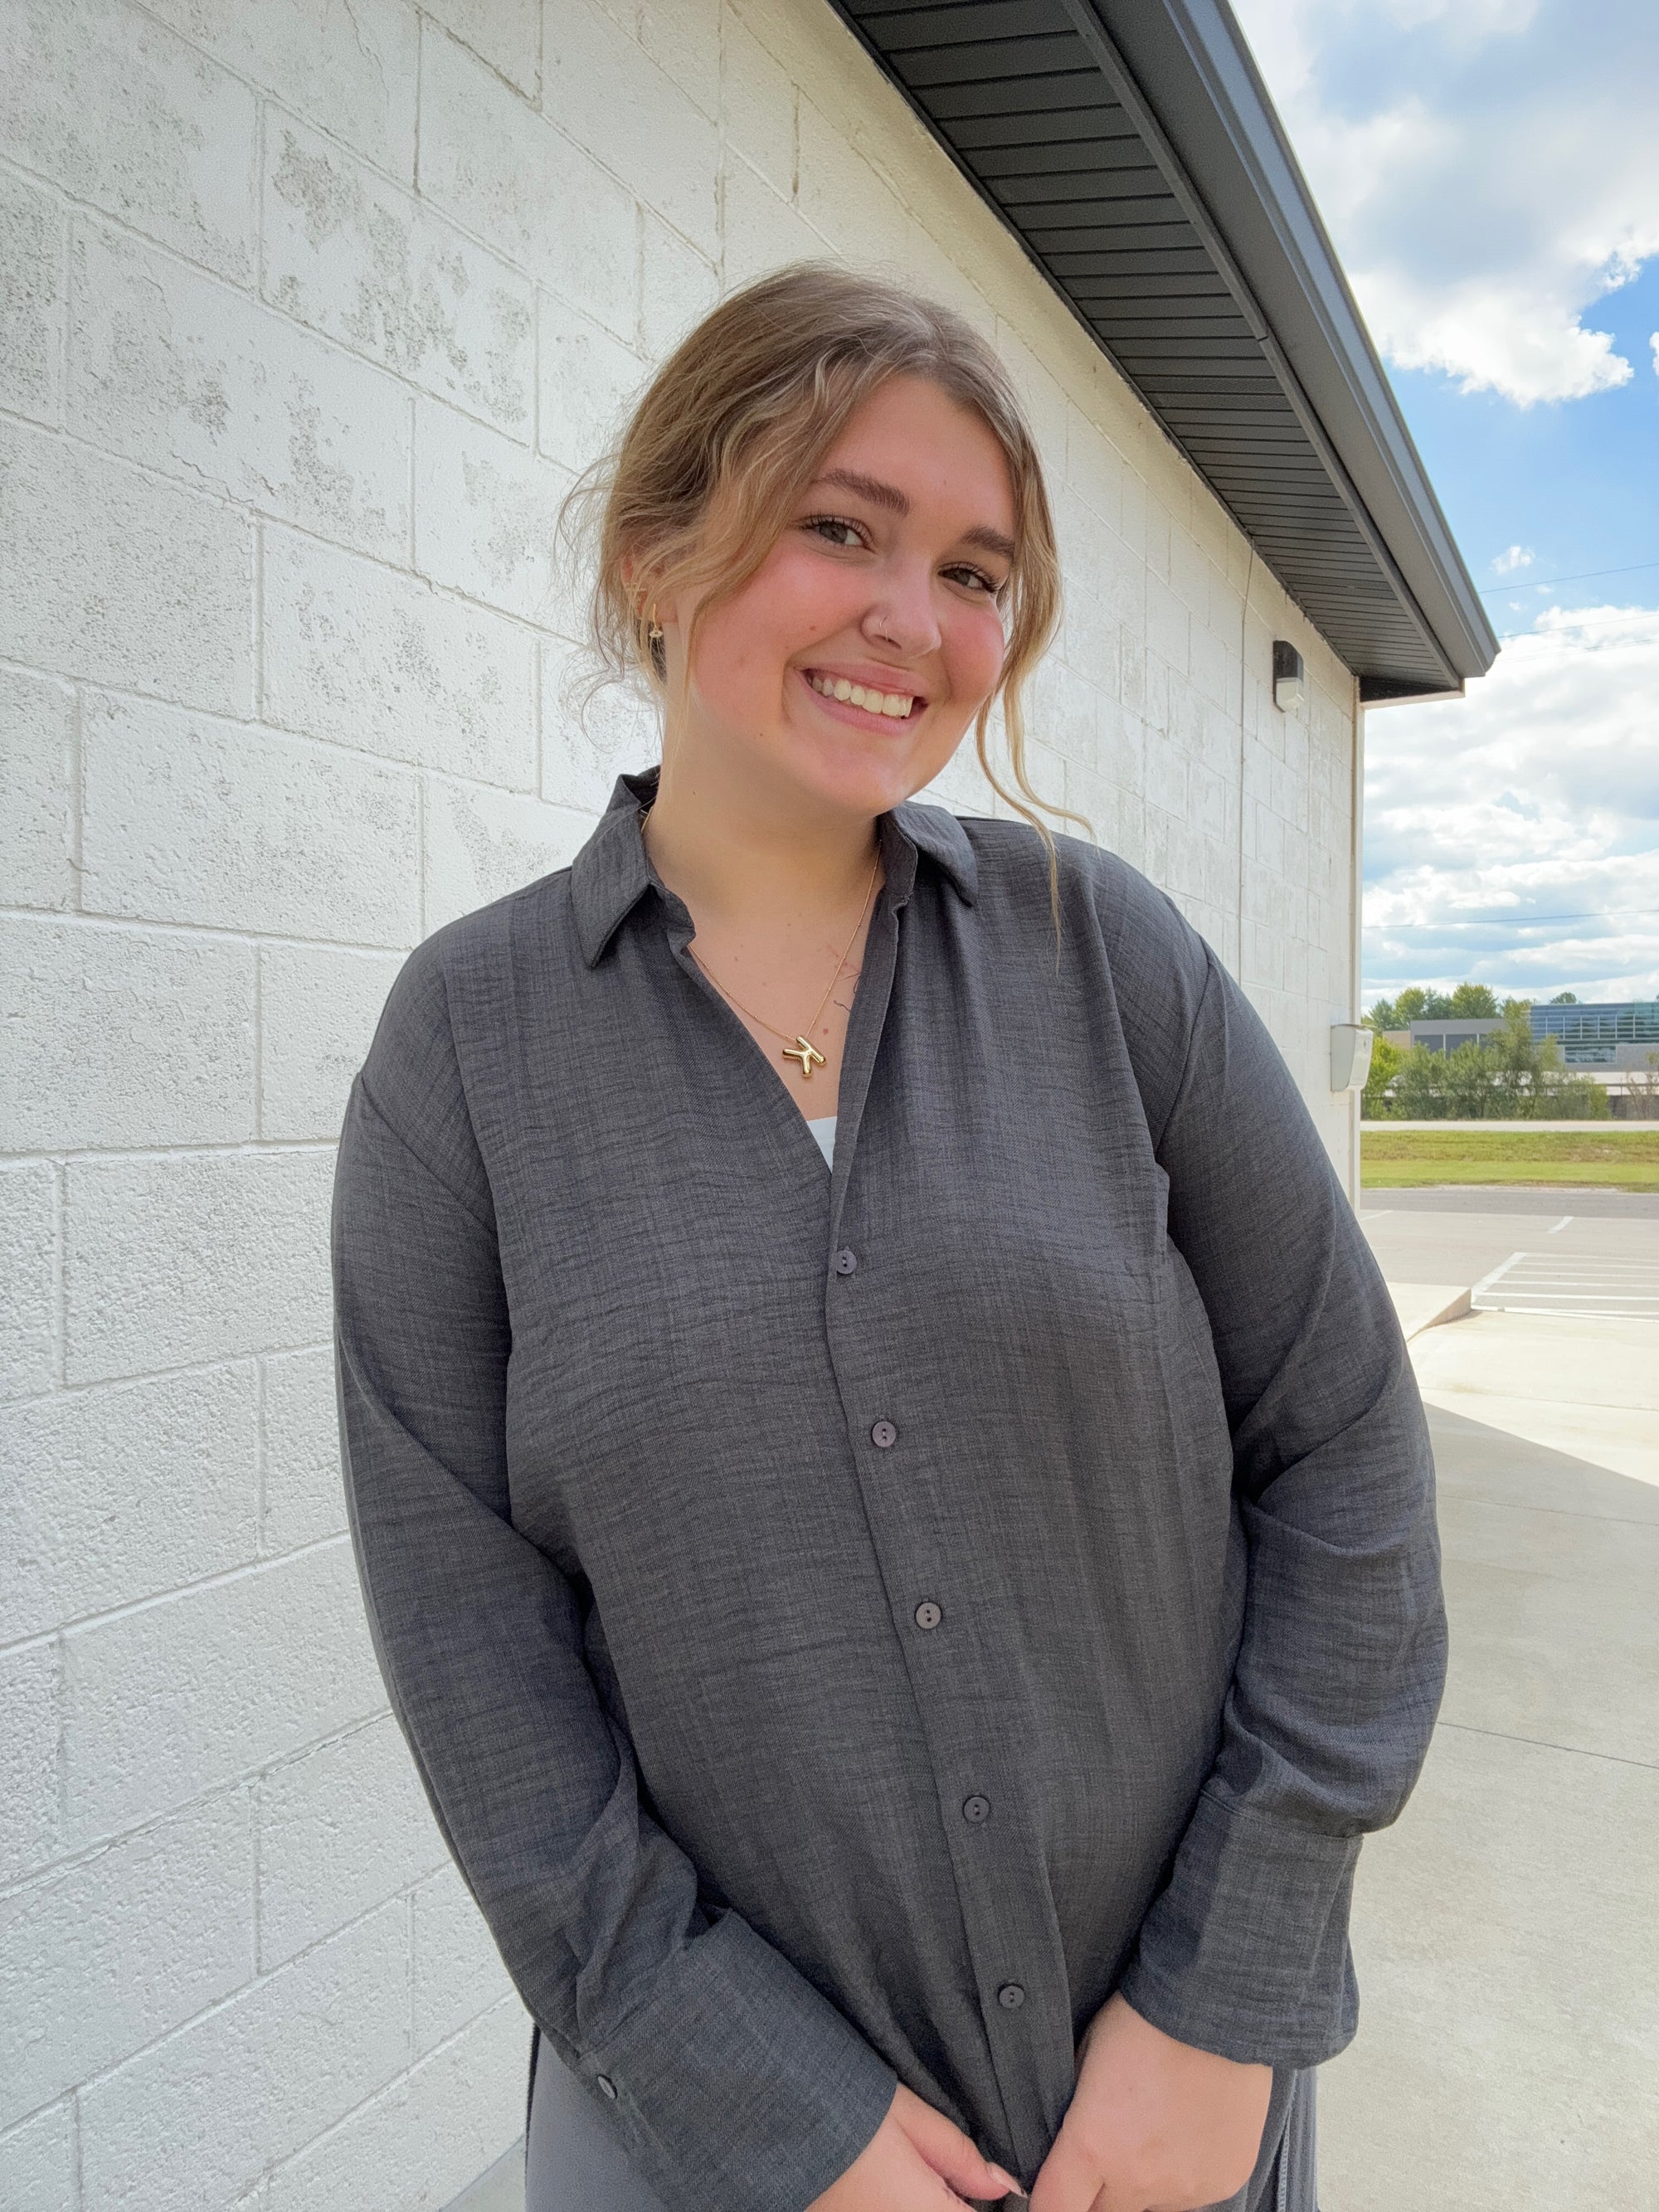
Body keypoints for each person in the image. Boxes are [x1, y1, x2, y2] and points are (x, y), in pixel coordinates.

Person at [332, 263, 1446, 2212]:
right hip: (710, 2152)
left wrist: (1223, 2001)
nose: (910, 620)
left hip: (1167, 2130)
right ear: (660, 546)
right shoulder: (466, 1050)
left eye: (975, 570)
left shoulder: (1113, 963)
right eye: (839, 528)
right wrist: (770, 2107)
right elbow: (472, 1657)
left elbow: (1344, 1446)